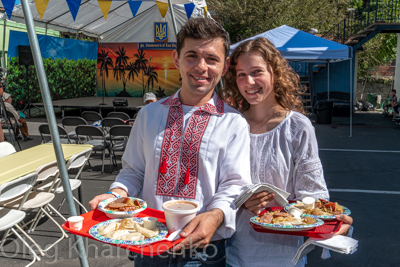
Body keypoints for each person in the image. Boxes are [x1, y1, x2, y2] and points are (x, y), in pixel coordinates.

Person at [89, 18, 251, 266]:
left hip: (203, 250)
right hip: (147, 242)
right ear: (176, 59)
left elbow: (234, 185)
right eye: (192, 56)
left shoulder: (233, 122)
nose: (201, 66)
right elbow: (133, 171)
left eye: (212, 59)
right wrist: (116, 195)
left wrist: (215, 216)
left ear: (225, 65)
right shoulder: (149, 114)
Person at [218, 37, 353, 267]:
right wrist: (241, 200)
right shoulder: (229, 123)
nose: (248, 81)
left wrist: (335, 221)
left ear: (275, 73)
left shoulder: (297, 127)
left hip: (285, 257)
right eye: (241, 74)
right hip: (232, 254)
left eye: (256, 71)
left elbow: (312, 196)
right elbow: (213, 185)